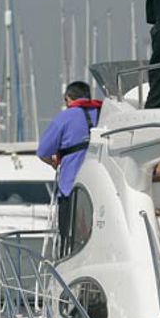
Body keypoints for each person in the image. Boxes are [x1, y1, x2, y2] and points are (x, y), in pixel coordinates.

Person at [37, 81, 102, 253]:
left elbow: (43, 151)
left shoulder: (65, 117)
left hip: (71, 187)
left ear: (68, 98)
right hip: (100, 187)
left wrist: (53, 163)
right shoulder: (103, 114)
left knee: (70, 240)